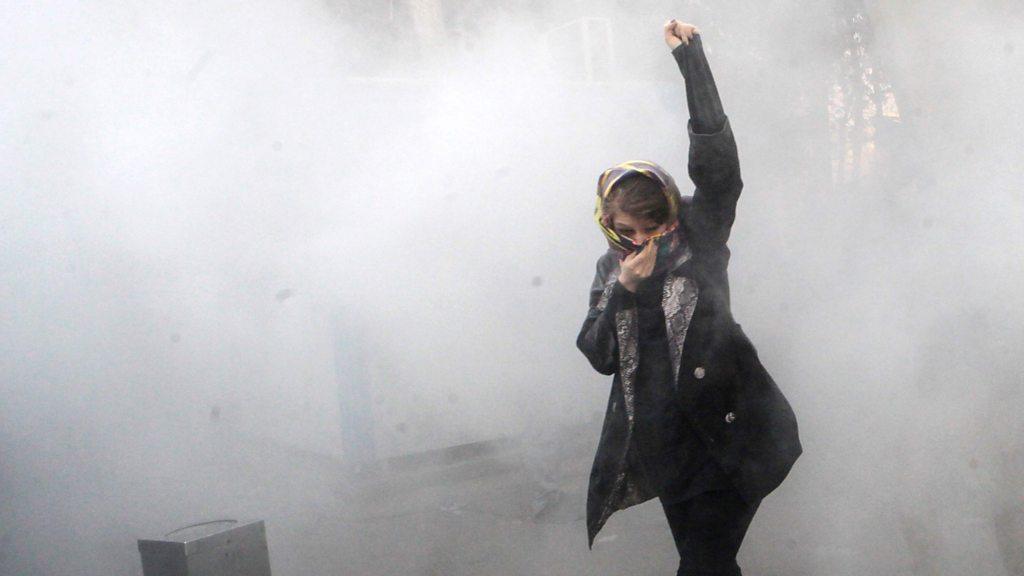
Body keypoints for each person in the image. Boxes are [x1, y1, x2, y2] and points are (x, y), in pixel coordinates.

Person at [576, 19, 802, 576]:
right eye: (626, 230)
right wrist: (625, 290)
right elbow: (599, 354)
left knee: (704, 563)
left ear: (668, 216)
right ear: (609, 223)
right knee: (708, 563)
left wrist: (691, 61)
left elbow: (719, 170)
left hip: (731, 437)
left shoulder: (698, 234)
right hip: (667, 447)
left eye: (649, 229)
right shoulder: (613, 270)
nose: (639, 242)